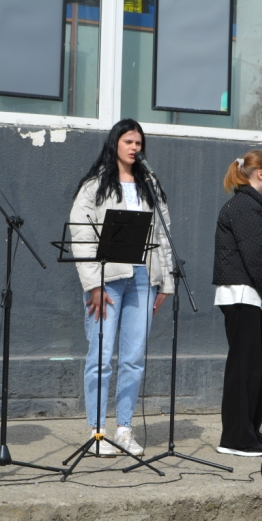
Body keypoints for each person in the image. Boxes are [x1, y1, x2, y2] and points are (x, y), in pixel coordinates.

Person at [68, 119, 175, 456]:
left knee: (133, 358)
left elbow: (163, 234)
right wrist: (93, 285)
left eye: (138, 143)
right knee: (100, 356)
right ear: (115, 143)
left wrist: (166, 281)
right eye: (128, 141)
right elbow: (82, 237)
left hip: (143, 278)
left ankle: (125, 429)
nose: (134, 148)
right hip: (107, 280)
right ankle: (98, 433)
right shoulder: (94, 187)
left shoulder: (149, 185)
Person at [212, 150, 262, 456]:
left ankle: (249, 432)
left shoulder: (253, 205)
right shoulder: (244, 206)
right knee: (244, 368)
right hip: (243, 297)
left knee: (260, 368)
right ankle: (235, 439)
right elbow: (258, 258)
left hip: (254, 298)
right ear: (259, 174)